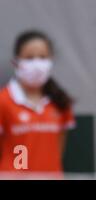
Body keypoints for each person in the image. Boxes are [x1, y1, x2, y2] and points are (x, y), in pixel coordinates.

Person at [0, 30, 75, 176]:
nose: (36, 63)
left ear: (51, 60)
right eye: (29, 57)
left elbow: (59, 148)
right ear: (16, 62)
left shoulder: (60, 101)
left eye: (42, 57)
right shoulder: (3, 101)